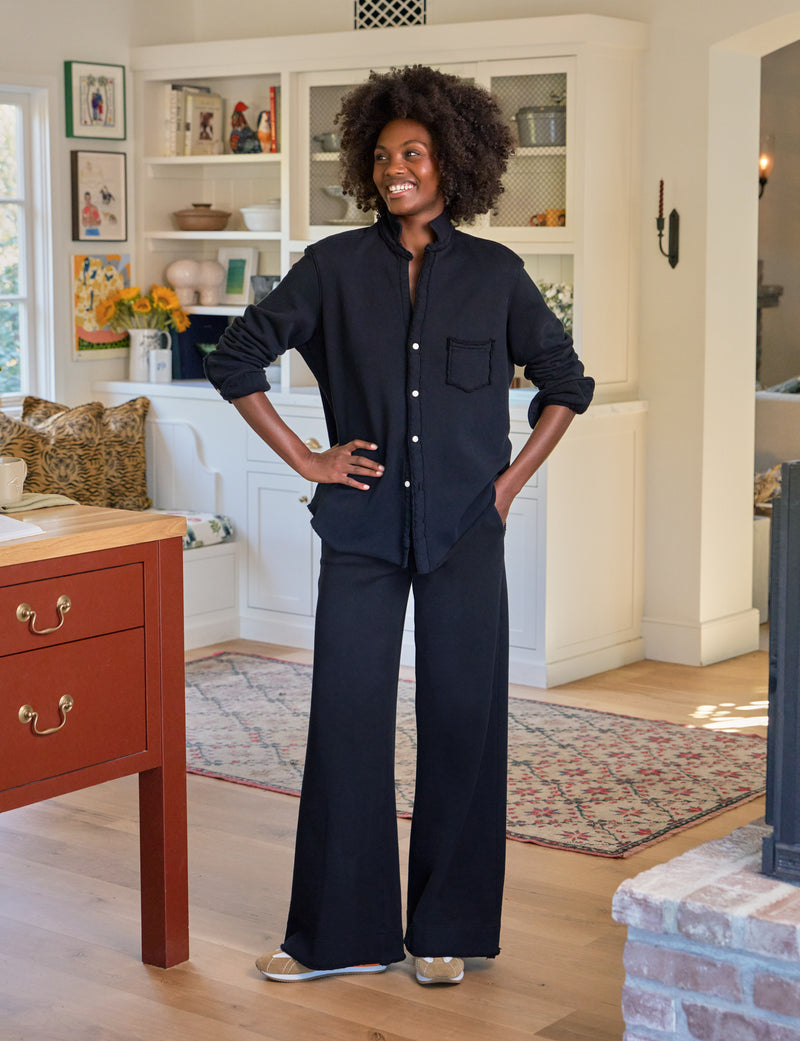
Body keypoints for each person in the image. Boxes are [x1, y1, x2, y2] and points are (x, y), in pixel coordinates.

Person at [204, 65, 594, 987]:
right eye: (382, 156)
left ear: (452, 160)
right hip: (362, 531)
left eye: (412, 153)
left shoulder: (497, 275)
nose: (395, 170)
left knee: (463, 722)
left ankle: (445, 930)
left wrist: (506, 488)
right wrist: (308, 458)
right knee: (347, 719)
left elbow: (566, 384)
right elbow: (237, 357)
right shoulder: (334, 267)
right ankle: (336, 936)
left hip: (465, 532)